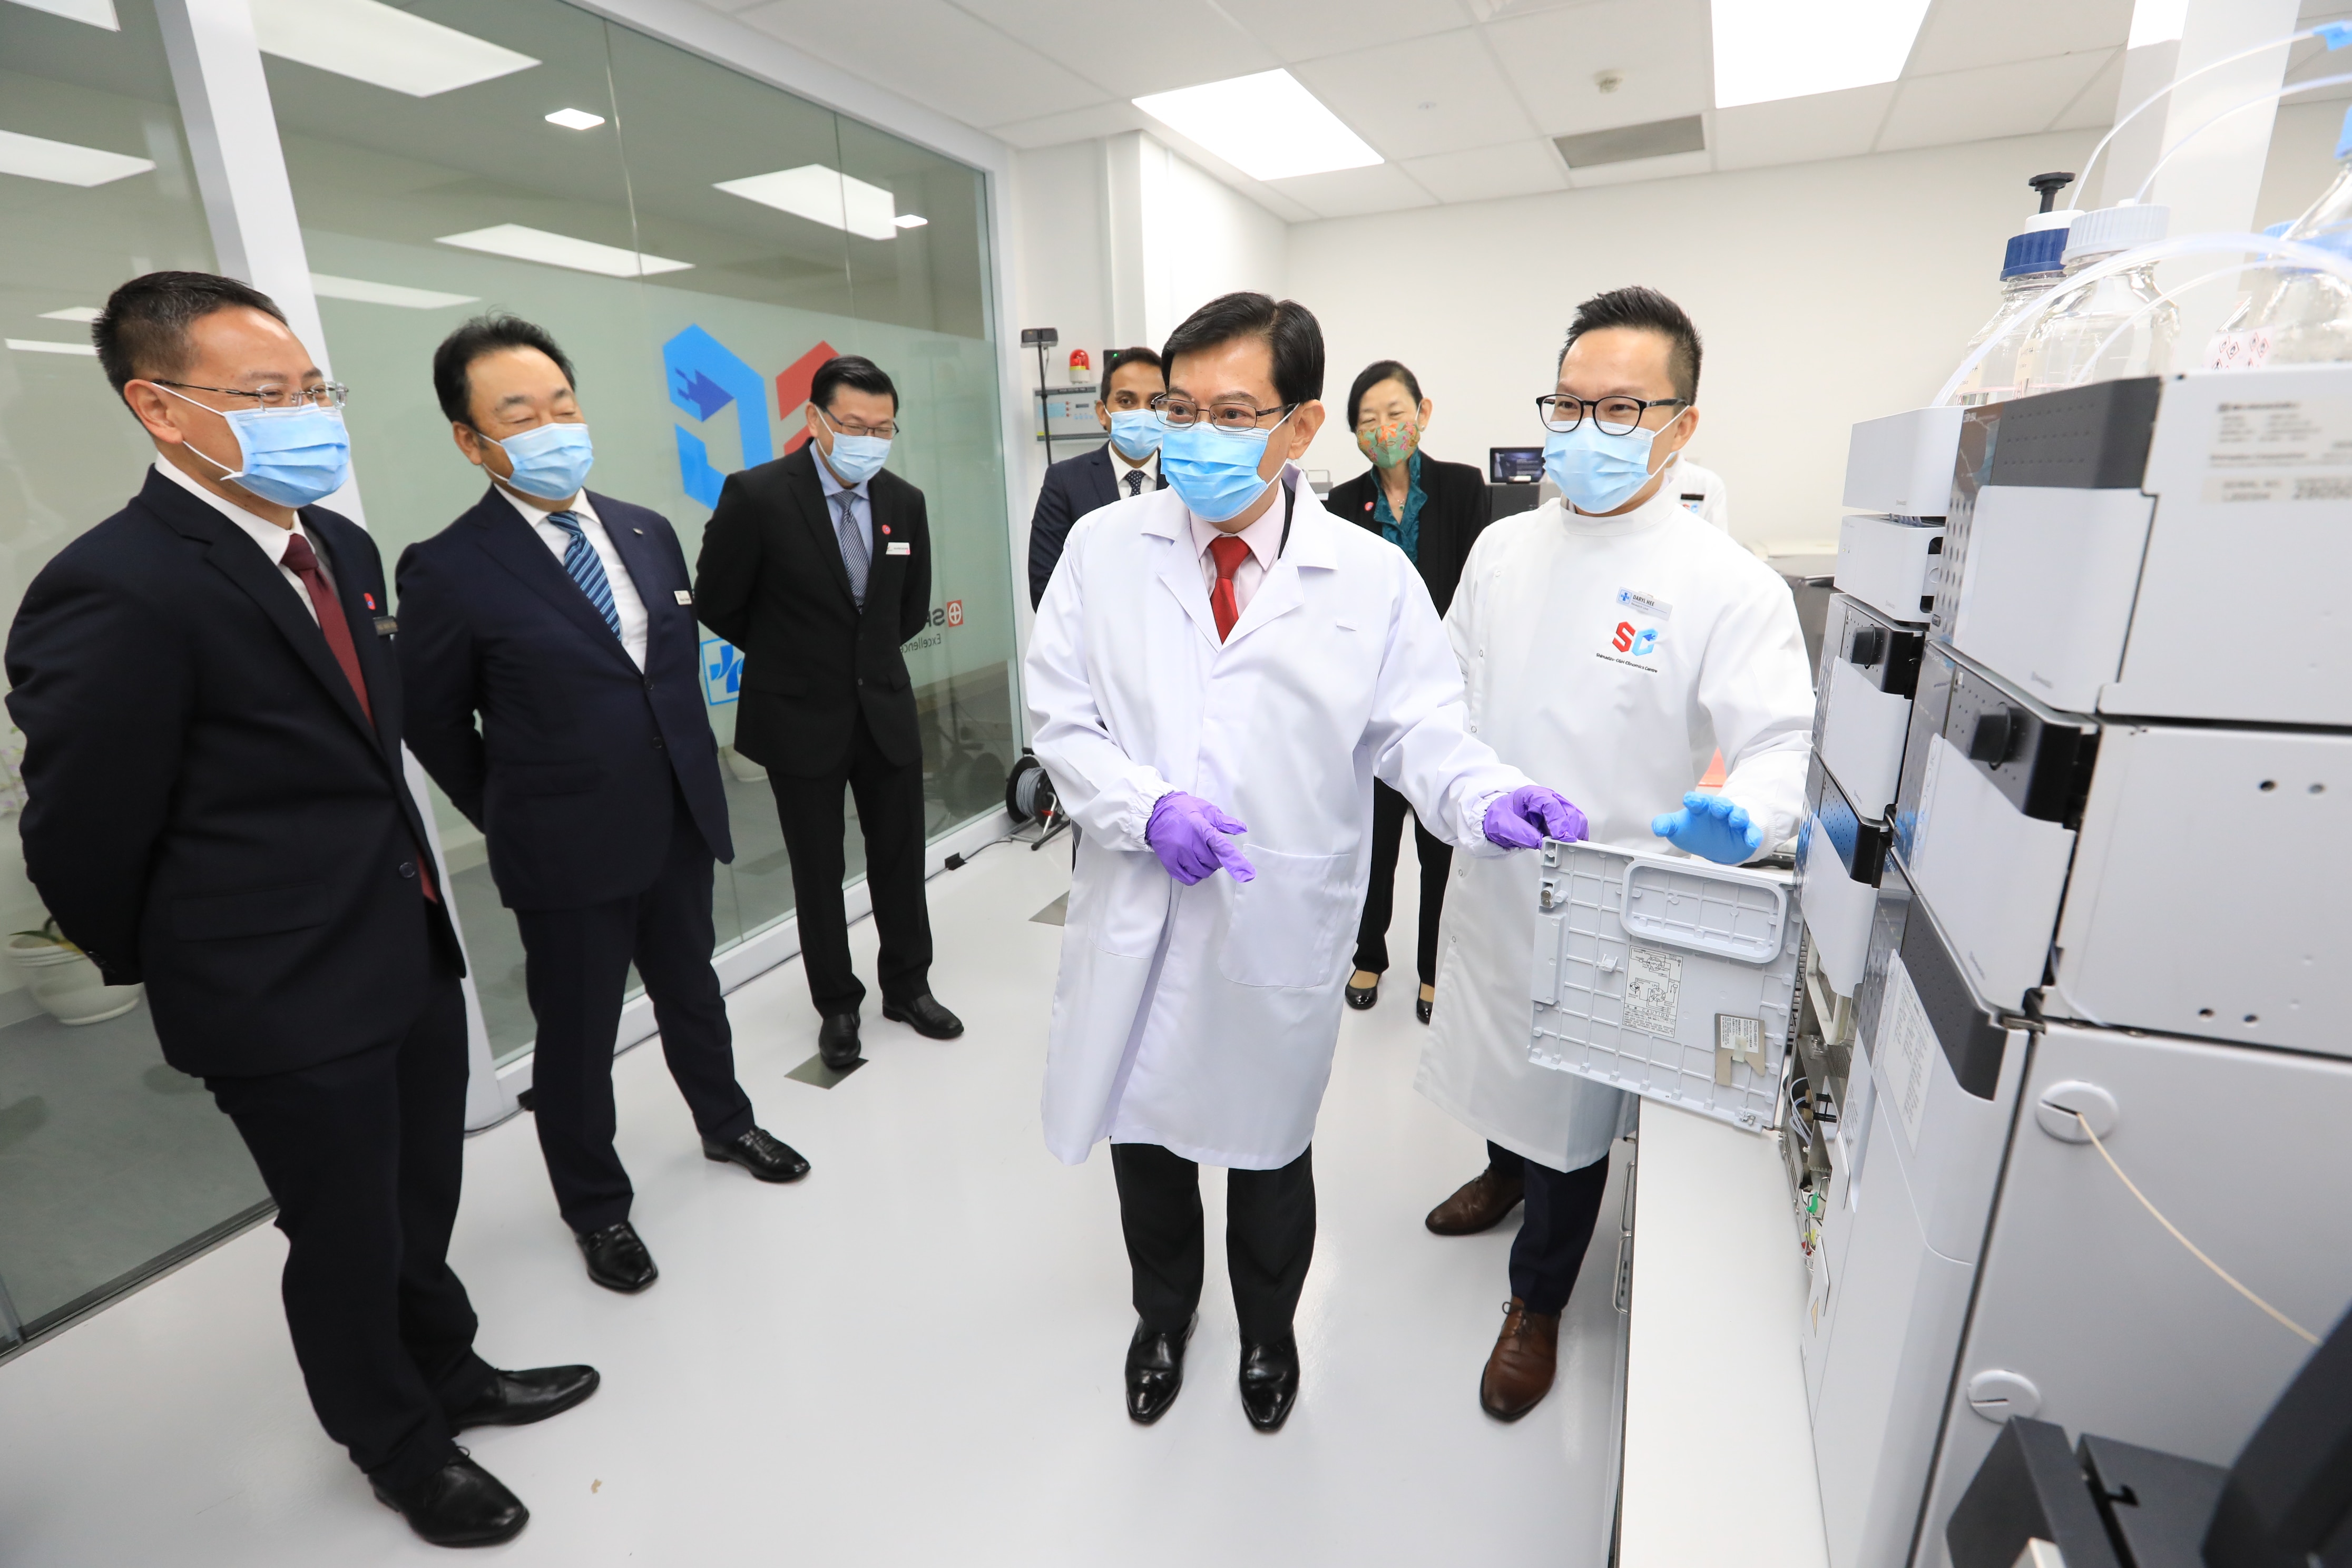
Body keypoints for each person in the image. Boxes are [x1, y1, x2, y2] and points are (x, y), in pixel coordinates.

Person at [5, 273, 595, 1548]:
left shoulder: (337, 545)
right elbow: (79, 829)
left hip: (399, 944)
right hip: (273, 991)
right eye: (263, 396)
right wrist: (188, 964)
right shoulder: (116, 584)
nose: (303, 416)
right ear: (160, 410)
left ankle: (449, 1370)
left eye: (311, 389)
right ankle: (394, 1444)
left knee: (421, 1189)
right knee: (342, 1229)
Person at [1024, 291, 1584, 1434]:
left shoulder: (1366, 576)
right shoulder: (1101, 548)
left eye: (1234, 412)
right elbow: (1062, 723)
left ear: (1300, 427)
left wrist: (1488, 793)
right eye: (1181, 408)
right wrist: (1142, 809)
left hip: (1274, 916)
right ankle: (1163, 1315)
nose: (1196, 435)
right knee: (1147, 1145)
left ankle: (1271, 1329)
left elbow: (1419, 732)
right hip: (1140, 901)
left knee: (1271, 1149)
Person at [1415, 286, 1812, 1423]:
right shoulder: (1499, 550)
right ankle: (1501, 1167)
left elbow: (1780, 741)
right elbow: (1445, 695)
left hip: (1614, 905)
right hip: (1496, 874)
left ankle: (1537, 1299)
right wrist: (1468, 790)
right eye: (1569, 404)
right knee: (1500, 1056)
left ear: (1682, 425)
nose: (1586, 430)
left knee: (1580, 1107)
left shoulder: (1725, 582)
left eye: (1621, 409)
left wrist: (1751, 817)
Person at [397, 315, 809, 1297]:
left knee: (691, 991)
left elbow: (659, 676)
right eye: (518, 412)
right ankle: (597, 1206)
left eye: (561, 404)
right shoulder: (448, 565)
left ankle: (726, 1122)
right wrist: (511, 807)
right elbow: (434, 720)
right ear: (471, 438)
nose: (550, 425)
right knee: (576, 1036)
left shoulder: (642, 528)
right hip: (562, 843)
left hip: (672, 816)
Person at [693, 355, 963, 1070]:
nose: (869, 439)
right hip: (797, 716)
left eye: (883, 428)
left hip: (886, 713)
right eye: (853, 425)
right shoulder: (757, 496)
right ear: (814, 421)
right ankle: (837, 1007)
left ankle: (909, 986)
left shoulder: (904, 502)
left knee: (901, 860)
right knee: (817, 869)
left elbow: (906, 609)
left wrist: (861, 663)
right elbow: (718, 599)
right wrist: (795, 657)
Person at [1323, 360, 1492, 1024]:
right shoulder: (1343, 504)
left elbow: (1477, 591)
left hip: (1443, 694)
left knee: (1439, 844)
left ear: (1423, 413)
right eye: (1368, 422)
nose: (1384, 429)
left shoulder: (1463, 488)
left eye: (1395, 413)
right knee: (1377, 840)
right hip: (1369, 700)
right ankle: (1370, 952)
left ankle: (1431, 966)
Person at [1027, 346, 1169, 607]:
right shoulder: (1065, 481)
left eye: (1155, 403)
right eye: (1126, 401)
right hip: (1095, 644)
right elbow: (1045, 587)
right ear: (1103, 413)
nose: (1142, 413)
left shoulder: (1184, 481)